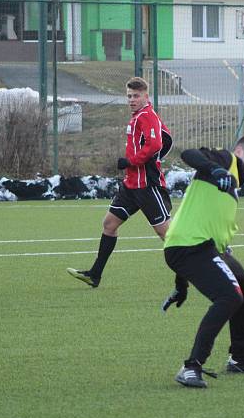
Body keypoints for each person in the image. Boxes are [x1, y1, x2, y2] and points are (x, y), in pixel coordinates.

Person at [161, 135, 244, 388]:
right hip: (191, 246)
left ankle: (241, 359)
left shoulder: (232, 184)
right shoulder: (226, 161)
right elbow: (189, 153)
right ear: (239, 151)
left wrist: (182, 284)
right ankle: (191, 366)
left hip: (200, 247)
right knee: (230, 296)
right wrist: (215, 168)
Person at [66, 77, 172, 288]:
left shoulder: (147, 116)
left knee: (167, 234)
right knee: (109, 224)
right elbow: (165, 140)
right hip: (131, 185)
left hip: (147, 186)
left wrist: (131, 161)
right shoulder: (137, 117)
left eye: (136, 96)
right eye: (129, 96)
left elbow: (156, 144)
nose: (132, 100)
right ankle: (95, 274)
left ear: (146, 96)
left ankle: (210, 263)